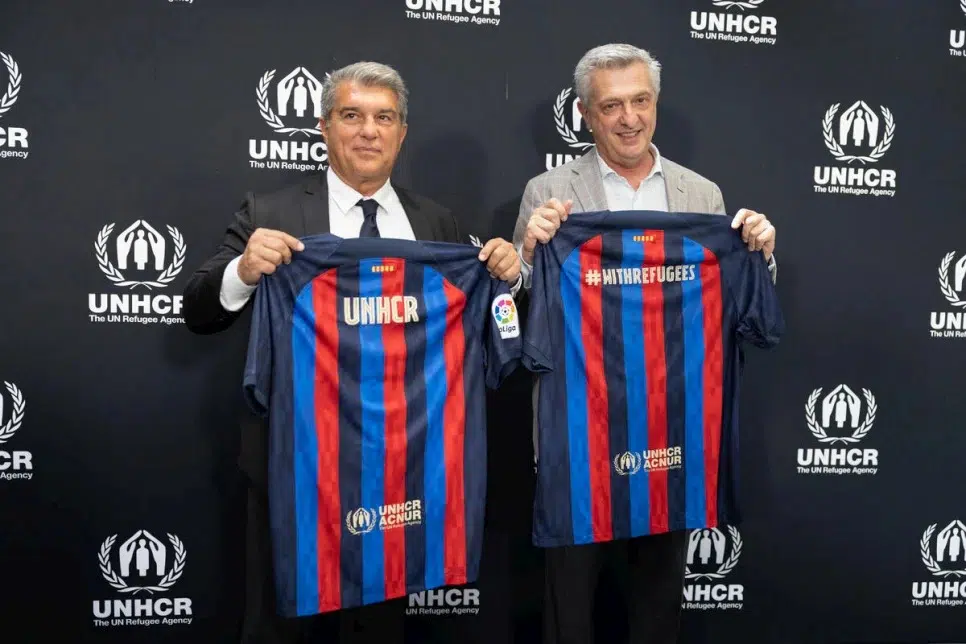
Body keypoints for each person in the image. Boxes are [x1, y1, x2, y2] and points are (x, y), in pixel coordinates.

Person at [182, 60, 521, 644]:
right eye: (352, 116)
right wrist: (243, 271)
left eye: (383, 118)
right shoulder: (271, 213)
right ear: (323, 126)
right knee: (281, 624)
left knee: (380, 630)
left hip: (401, 475)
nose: (368, 131)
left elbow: (484, 333)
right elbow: (198, 311)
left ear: (401, 132)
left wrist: (507, 281)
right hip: (295, 468)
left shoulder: (436, 222)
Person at [511, 43, 778, 644]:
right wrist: (528, 254)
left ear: (655, 104)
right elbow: (517, 306)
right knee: (569, 613)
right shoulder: (548, 190)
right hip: (579, 437)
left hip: (669, 434)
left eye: (640, 101)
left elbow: (733, 301)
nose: (628, 117)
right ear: (585, 112)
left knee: (658, 611)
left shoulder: (700, 194)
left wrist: (760, 257)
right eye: (611, 105)